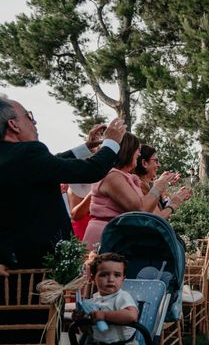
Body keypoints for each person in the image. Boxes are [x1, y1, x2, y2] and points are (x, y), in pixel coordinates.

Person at [0, 95, 126, 269]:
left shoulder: (14, 158)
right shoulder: (28, 153)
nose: (34, 123)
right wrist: (111, 142)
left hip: (11, 261)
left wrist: (86, 147)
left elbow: (48, 164)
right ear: (13, 125)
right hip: (41, 263)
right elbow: (92, 170)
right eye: (29, 116)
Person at [83, 134, 190, 249]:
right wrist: (160, 190)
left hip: (117, 237)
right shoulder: (113, 177)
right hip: (105, 237)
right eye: (137, 150)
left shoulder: (123, 176)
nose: (138, 154)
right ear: (127, 150)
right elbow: (140, 211)